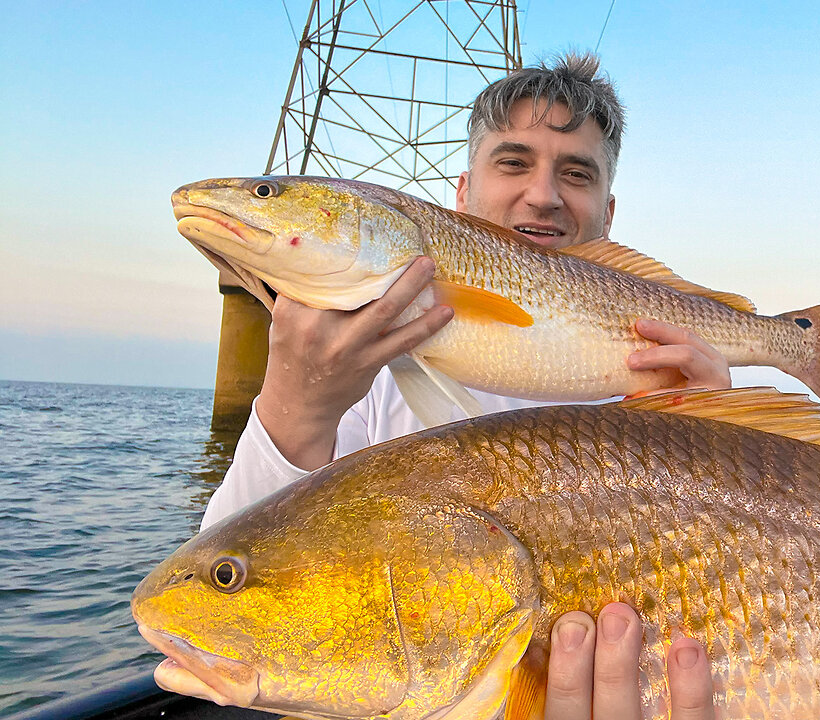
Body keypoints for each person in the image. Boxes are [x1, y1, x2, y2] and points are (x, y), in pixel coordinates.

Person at [194, 53, 719, 718]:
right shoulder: (368, 360)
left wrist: (718, 434)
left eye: (576, 173)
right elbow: (227, 593)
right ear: (462, 193)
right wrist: (297, 404)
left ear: (608, 212)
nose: (544, 194)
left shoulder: (666, 369)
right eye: (513, 162)